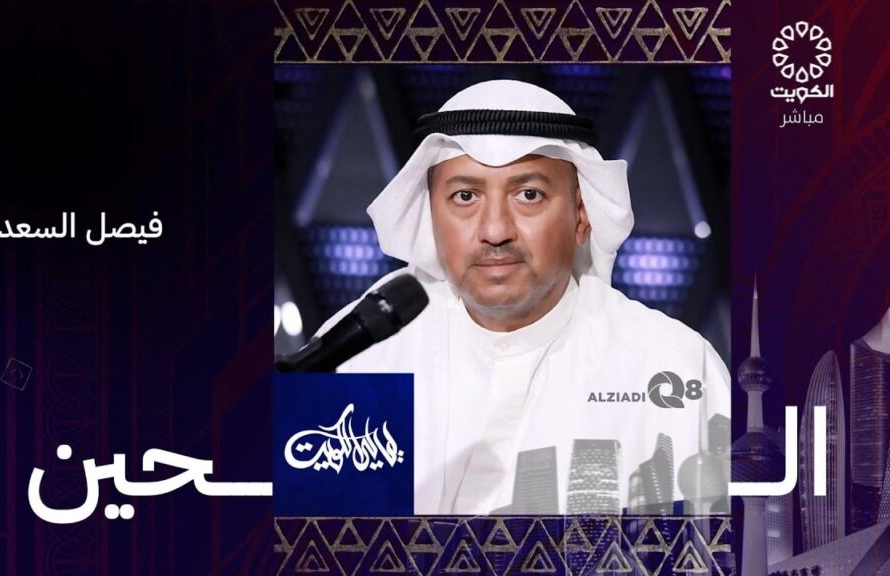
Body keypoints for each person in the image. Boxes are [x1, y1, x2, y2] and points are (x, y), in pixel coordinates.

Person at [313, 79, 730, 515]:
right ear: (430, 215)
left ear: (581, 215)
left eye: (529, 195)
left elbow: (723, 541)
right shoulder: (361, 352)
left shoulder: (673, 367)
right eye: (465, 196)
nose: (495, 230)